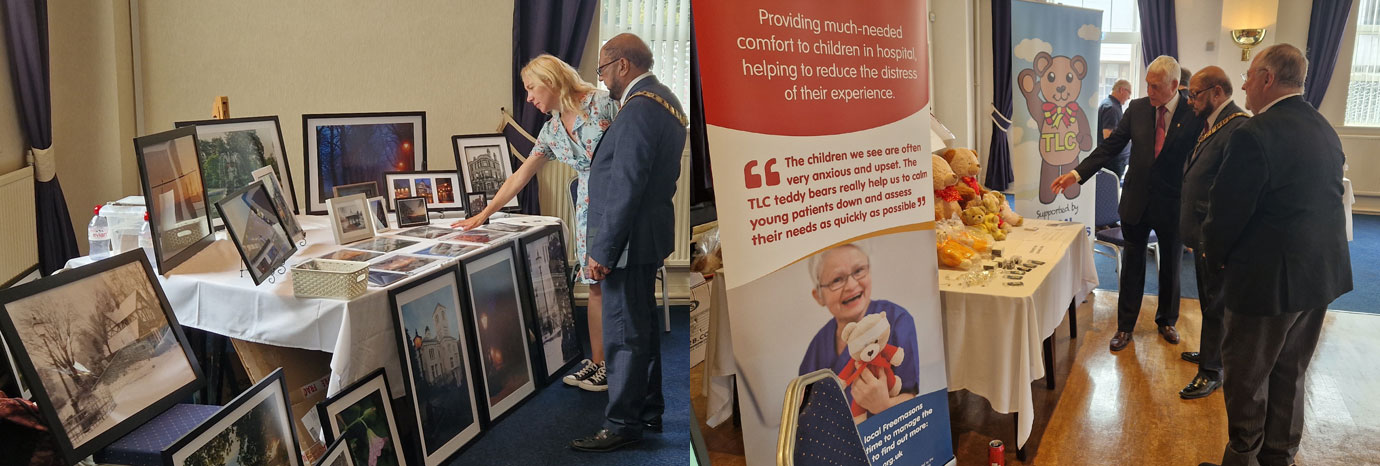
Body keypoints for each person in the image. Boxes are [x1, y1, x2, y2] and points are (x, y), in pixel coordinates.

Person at [1198, 44, 1351, 466]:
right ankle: (1279, 458)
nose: (1243, 83)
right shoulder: (1324, 127)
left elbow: (1226, 215)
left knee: (1247, 380)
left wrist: (1214, 262)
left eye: (1248, 75)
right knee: (1290, 372)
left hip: (1266, 282)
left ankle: (1243, 458)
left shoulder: (1254, 133)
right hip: (1318, 277)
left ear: (1267, 79)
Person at [451, 54, 619, 392]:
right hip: (588, 209)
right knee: (596, 287)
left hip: (620, 200)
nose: (528, 97)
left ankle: (621, 368)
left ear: (551, 80)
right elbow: (519, 177)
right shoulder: (552, 131)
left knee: (621, 288)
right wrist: (486, 213)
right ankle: (599, 364)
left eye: (531, 88)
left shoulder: (603, 104)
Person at [571, 33, 687, 452]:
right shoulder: (667, 99)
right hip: (646, 236)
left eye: (603, 70)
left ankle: (622, 422)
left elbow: (627, 184)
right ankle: (647, 410)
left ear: (623, 65)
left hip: (626, 240)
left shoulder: (639, 108)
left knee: (623, 334)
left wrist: (602, 249)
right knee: (642, 329)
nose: (602, 81)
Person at [1051, 55, 1203, 352]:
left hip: (1174, 203)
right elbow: (1110, 146)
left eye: (1156, 86)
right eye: (1147, 84)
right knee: (1133, 265)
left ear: (1175, 85)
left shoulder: (1193, 113)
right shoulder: (1136, 109)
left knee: (1171, 265)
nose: (1149, 91)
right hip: (1137, 200)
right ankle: (1125, 327)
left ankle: (1167, 321)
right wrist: (1077, 173)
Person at [1176, 66, 1248, 401]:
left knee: (1216, 303)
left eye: (1195, 93)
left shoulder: (1237, 127)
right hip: (1202, 232)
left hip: (1213, 234)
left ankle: (1211, 372)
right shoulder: (1214, 124)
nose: (1190, 100)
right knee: (1208, 300)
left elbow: (1230, 191)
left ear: (1217, 92)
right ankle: (1210, 354)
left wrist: (1209, 233)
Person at [797, 243, 920, 423]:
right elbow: (806, 402)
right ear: (819, 297)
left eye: (859, 271)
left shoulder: (896, 321)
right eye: (837, 280)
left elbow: (911, 398)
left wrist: (883, 406)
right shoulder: (819, 344)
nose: (852, 285)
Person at [1098, 79, 1133, 177]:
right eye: (1129, 93)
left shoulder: (1109, 104)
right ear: (1122, 90)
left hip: (1113, 159)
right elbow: (1108, 137)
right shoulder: (1111, 108)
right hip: (1113, 160)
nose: (1129, 97)